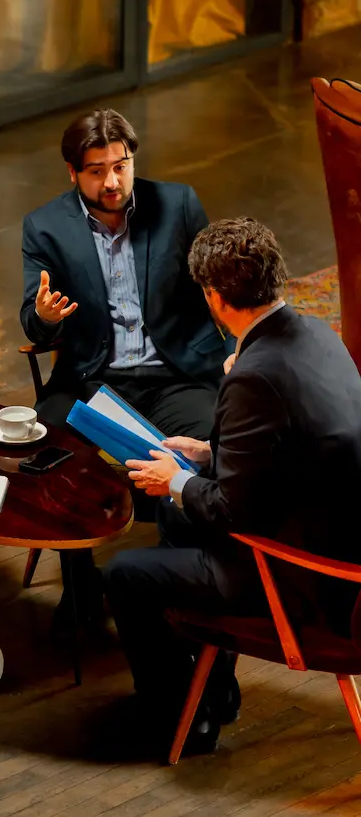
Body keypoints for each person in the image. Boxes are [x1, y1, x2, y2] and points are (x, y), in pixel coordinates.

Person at [103, 217, 361, 753]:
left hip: (298, 573)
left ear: (216, 297)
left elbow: (228, 511)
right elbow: (298, 447)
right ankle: (213, 695)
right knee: (177, 513)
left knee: (127, 573)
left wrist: (176, 480)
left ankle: (174, 714)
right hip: (335, 533)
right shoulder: (316, 331)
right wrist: (206, 453)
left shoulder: (252, 373)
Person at [21, 109, 232, 439]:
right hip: (93, 380)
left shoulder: (178, 205)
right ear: (72, 173)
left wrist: (236, 353)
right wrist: (46, 317)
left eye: (121, 167)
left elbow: (225, 286)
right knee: (44, 446)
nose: (112, 182)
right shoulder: (46, 227)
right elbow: (34, 326)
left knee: (218, 443)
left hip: (177, 376)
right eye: (96, 171)